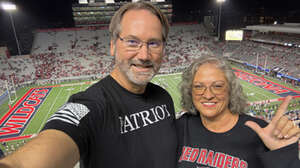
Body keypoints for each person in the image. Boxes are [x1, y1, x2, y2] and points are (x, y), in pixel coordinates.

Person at [0, 2, 177, 168]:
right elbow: (38, 154)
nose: (144, 55)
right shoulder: (90, 105)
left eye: (154, 43)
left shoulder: (164, 98)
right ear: (113, 46)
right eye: (132, 42)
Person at [176, 54, 300, 168]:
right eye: (198, 86)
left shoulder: (262, 132)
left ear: (230, 90)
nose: (208, 95)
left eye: (218, 86)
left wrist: (284, 156)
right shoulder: (182, 126)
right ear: (190, 91)